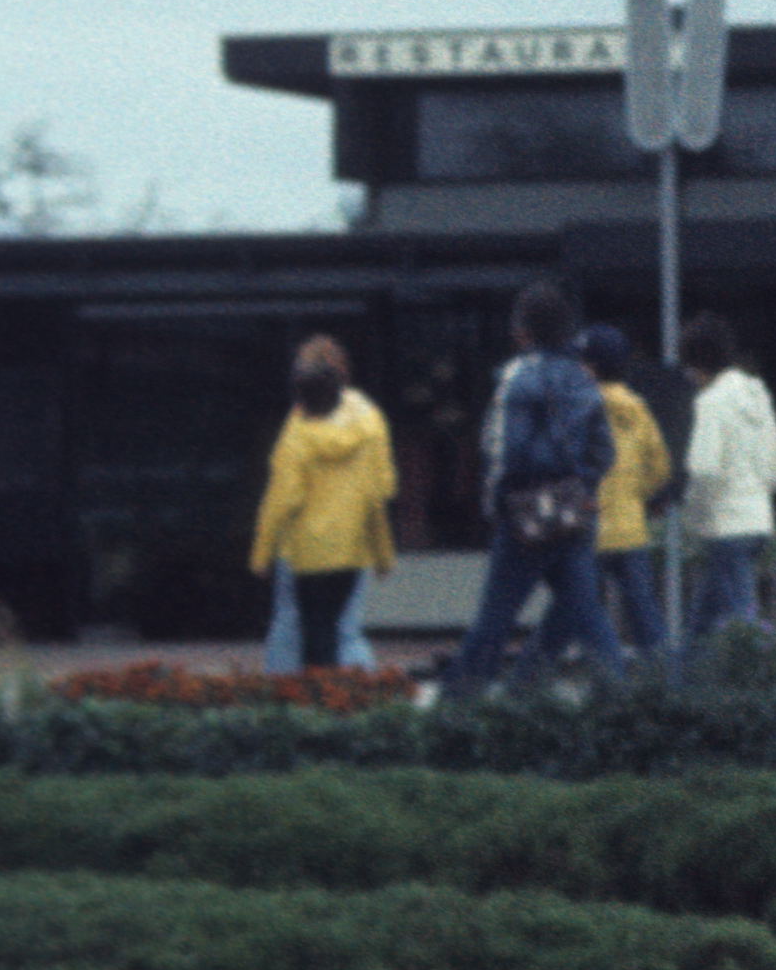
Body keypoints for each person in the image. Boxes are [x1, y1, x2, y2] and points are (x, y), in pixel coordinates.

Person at [439, 281, 617, 691]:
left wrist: (498, 505)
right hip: (572, 507)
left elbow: (504, 450)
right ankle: (626, 700)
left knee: (495, 618)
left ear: (523, 331)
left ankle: (458, 705)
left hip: (525, 511)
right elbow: (604, 451)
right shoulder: (582, 378)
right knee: (587, 613)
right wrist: (583, 489)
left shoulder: (517, 377)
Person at [246, 334, 397, 673]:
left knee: (290, 624)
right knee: (347, 628)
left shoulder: (301, 424)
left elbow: (282, 496)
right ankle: (363, 694)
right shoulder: (370, 418)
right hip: (354, 542)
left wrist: (262, 551)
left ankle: (289, 694)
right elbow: (383, 487)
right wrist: (382, 551)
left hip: (302, 546)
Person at [675, 310, 776, 652]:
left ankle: (761, 676)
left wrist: (692, 517)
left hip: (725, 525)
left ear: (696, 365)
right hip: (758, 521)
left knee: (742, 619)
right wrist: (755, 496)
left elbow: (704, 469)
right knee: (702, 617)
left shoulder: (711, 403)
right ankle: (681, 675)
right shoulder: (757, 395)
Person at [581, 323, 677, 668]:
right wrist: (637, 496)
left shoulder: (579, 406)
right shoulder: (637, 408)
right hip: (630, 528)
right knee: (644, 612)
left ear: (592, 367)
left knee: (587, 611)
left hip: (587, 528)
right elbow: (660, 467)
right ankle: (665, 680)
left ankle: (608, 680)